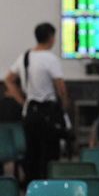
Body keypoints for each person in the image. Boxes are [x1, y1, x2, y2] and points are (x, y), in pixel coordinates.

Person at [4, 22, 68, 183]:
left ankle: (31, 188)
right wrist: (63, 108)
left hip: (30, 112)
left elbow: (8, 80)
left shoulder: (25, 56)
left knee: (32, 154)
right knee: (49, 155)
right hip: (48, 114)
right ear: (51, 38)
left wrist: (21, 100)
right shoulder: (50, 59)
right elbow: (61, 88)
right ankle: (49, 187)